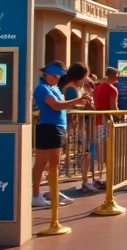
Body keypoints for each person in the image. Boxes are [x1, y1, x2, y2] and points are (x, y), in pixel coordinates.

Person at [31, 61, 89, 207]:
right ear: (49, 75)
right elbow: (55, 105)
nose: (58, 79)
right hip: (50, 128)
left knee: (48, 163)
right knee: (50, 164)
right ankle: (38, 194)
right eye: (56, 76)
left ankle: (49, 192)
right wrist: (77, 101)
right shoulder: (42, 88)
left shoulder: (52, 88)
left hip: (53, 127)